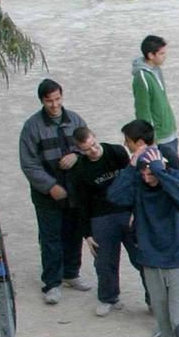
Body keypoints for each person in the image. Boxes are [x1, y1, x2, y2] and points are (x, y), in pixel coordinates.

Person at [110, 120, 179, 337]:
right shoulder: (139, 183)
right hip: (152, 261)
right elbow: (115, 197)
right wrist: (131, 169)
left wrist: (160, 172)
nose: (146, 177)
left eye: (150, 173)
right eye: (143, 173)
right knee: (164, 323)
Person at [18, 78, 89, 305]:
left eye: (57, 99)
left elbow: (88, 146)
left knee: (73, 233)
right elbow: (29, 164)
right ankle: (52, 282)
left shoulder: (75, 120)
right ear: (42, 101)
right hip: (46, 195)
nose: (55, 105)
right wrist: (50, 186)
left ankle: (71, 273)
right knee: (50, 238)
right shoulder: (32, 127)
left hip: (73, 191)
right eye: (49, 101)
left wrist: (76, 155)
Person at [68, 125, 134, 317]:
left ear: (95, 137)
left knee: (141, 257)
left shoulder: (117, 152)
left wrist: (135, 211)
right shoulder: (80, 170)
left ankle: (152, 299)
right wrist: (87, 234)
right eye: (87, 149)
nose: (93, 150)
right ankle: (108, 297)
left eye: (94, 145)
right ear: (80, 151)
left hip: (125, 210)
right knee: (104, 261)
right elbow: (81, 204)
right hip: (101, 217)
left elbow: (133, 181)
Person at [131, 35, 179, 163]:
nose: (165, 56)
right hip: (159, 138)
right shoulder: (142, 77)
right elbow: (142, 112)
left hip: (169, 131)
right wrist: (151, 142)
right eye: (161, 53)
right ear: (151, 55)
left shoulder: (157, 69)